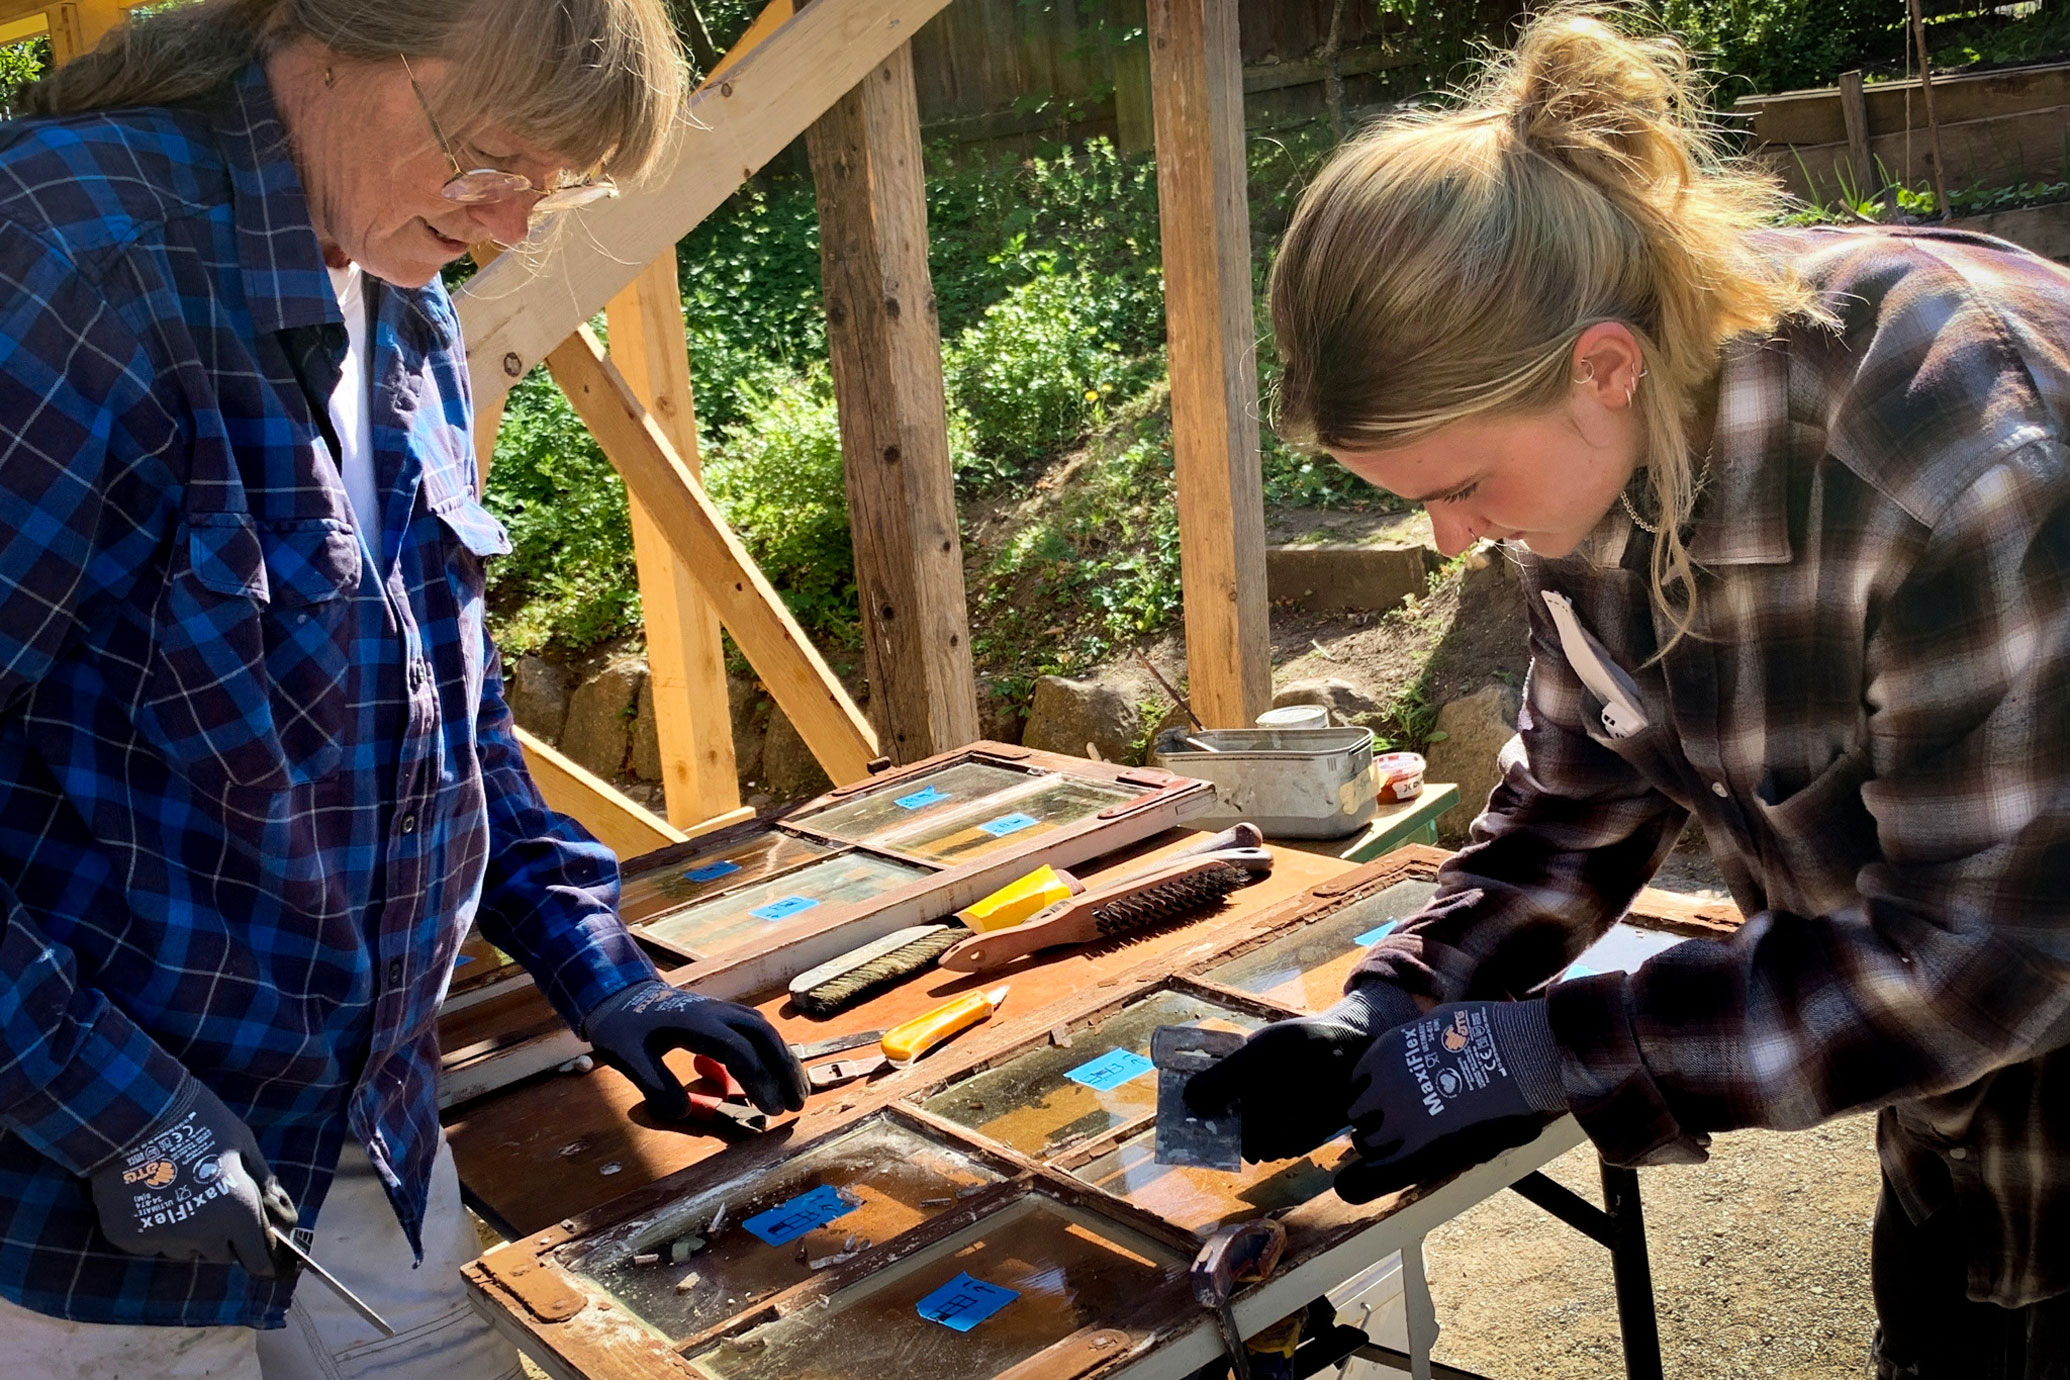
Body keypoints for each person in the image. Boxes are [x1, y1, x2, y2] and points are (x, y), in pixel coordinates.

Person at [1184, 7, 2070, 1377]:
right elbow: (1574, 799)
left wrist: (1548, 1054)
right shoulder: (1596, 444)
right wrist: (1398, 1001)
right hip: (1963, 1154)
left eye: (1460, 487)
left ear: (1603, 364)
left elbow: (1986, 964)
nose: (1452, 541)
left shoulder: (1960, 469)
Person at [0, 2, 806, 1375]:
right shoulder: (70, 250)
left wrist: (602, 971)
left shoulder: (399, 291)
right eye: (492, 158)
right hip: (73, 1191)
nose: (508, 226)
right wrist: (127, 1117)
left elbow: (441, 724)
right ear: (335, 41)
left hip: (362, 1128)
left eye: (552, 187)